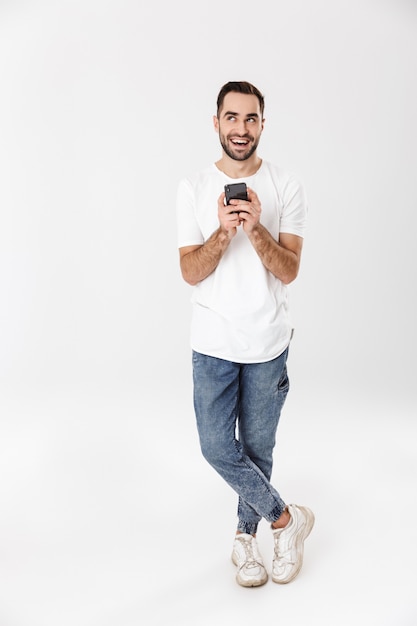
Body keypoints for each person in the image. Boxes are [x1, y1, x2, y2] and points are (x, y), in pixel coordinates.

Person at [176, 81, 314, 588]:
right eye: (231, 118)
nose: (241, 128)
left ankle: (245, 541)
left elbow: (290, 268)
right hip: (212, 343)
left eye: (250, 119)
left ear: (262, 124)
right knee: (217, 447)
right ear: (216, 123)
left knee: (257, 450)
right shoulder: (191, 187)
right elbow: (190, 272)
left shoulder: (286, 185)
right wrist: (223, 232)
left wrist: (255, 227)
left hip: (267, 343)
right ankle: (286, 520)